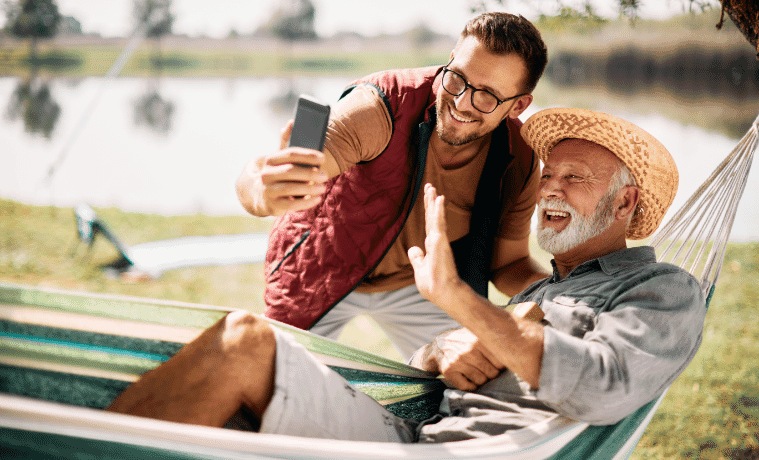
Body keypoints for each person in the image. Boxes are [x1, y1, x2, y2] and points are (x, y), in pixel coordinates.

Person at [108, 108, 706, 443]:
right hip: (415, 436)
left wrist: (465, 306)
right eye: (550, 174)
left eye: (576, 177)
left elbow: (606, 384)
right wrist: (442, 348)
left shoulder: (662, 291)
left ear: (625, 204)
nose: (550, 185)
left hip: (466, 454)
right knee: (228, 391)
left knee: (245, 345)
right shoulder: (544, 288)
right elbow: (436, 369)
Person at [235, 12, 551, 359]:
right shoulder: (383, 104)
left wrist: (566, 292)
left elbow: (509, 266)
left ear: (518, 105)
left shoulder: (517, 157)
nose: (461, 102)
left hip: (416, 283)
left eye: (487, 96)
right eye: (457, 79)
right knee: (270, 377)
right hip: (322, 264)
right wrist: (261, 191)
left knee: (463, 378)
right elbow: (266, 173)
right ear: (449, 62)